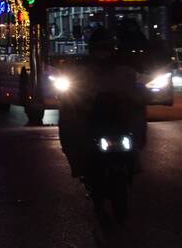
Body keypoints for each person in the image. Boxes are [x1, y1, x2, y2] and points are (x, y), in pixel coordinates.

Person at [58, 27, 147, 179]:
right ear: (92, 50)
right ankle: (79, 166)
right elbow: (72, 93)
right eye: (99, 49)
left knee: (139, 116)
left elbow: (136, 93)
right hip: (91, 118)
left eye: (106, 48)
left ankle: (134, 157)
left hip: (120, 119)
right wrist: (73, 100)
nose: (103, 54)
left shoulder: (125, 70)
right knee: (68, 124)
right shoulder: (82, 71)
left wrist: (136, 97)